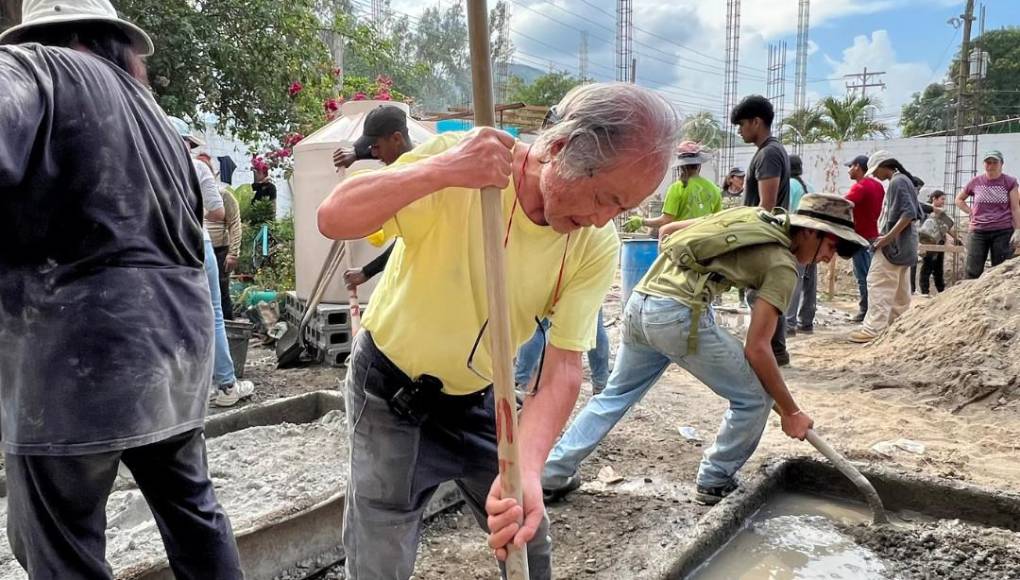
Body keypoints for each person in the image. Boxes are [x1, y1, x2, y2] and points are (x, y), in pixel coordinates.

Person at [316, 83, 680, 579]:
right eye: (603, 198)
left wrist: (528, 470)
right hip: (388, 392)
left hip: (484, 398)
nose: (600, 220)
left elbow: (562, 369)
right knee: (380, 544)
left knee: (527, 535)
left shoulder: (594, 244)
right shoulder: (465, 166)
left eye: (620, 209)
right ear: (557, 147)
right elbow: (334, 218)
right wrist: (440, 169)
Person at [0, 1, 244, 577]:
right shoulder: (158, 120)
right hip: (174, 363)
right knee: (194, 518)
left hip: (72, 368)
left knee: (63, 551)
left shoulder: (36, 67)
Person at [541, 195, 868, 506]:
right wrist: (792, 412)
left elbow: (667, 231)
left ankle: (552, 473)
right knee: (755, 397)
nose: (829, 257)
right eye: (831, 245)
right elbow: (757, 349)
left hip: (640, 302)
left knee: (614, 395)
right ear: (810, 230)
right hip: (678, 317)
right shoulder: (783, 267)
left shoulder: (751, 216)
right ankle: (715, 479)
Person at [171, 118, 256, 408]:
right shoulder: (197, 168)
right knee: (214, 314)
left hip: (165, 252)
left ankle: (183, 391)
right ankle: (227, 385)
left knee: (175, 318)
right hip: (198, 243)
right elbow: (218, 213)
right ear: (187, 143)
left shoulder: (146, 166)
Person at [731, 94, 792, 366]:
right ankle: (774, 350)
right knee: (764, 295)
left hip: (764, 236)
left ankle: (772, 352)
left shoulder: (768, 153)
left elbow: (766, 206)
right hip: (766, 236)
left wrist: (747, 237)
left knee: (763, 297)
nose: (740, 130)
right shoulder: (769, 151)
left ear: (757, 122)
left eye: (742, 124)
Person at [334, 105, 415, 291]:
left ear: (397, 139)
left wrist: (366, 272)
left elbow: (407, 242)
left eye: (376, 147)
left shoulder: (416, 182)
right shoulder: (407, 163)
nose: (375, 154)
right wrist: (357, 153)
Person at [849, 152, 924, 343]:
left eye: (876, 171)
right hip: (906, 246)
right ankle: (897, 327)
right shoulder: (905, 180)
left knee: (878, 283)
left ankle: (873, 329)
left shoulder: (898, 182)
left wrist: (886, 239)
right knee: (900, 291)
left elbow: (909, 214)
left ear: (884, 165)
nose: (875, 176)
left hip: (895, 246)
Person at [622, 141, 722, 232]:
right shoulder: (714, 189)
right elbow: (717, 219)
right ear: (699, 165)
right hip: (706, 243)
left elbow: (665, 220)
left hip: (681, 243)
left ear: (681, 166)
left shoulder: (677, 188)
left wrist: (641, 221)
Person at [955, 150, 1020, 279]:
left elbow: (1015, 207)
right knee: (973, 269)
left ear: (1001, 164)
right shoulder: (976, 181)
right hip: (978, 230)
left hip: (1003, 230)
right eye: (988, 162)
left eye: (994, 162)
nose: (990, 166)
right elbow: (959, 200)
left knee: (1000, 269)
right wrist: (970, 211)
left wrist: (1018, 229)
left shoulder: (1010, 182)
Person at [201, 153, 243, 320]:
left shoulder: (223, 195)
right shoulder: (190, 191)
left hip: (219, 251)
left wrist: (233, 253)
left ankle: (228, 330)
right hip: (197, 249)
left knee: (221, 292)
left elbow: (235, 224)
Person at [844, 154, 885, 322]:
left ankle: (865, 310)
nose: (848, 171)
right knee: (872, 274)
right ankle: (872, 309)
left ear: (858, 167)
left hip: (860, 236)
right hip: (874, 234)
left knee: (863, 276)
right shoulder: (878, 186)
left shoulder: (859, 187)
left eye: (850, 167)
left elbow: (843, 205)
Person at [786, 155, 817, 334]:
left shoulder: (789, 186)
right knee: (809, 282)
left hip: (799, 239)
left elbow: (786, 213)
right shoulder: (809, 187)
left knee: (794, 279)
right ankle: (806, 321)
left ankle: (789, 324)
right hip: (814, 237)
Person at [917, 190, 960, 296]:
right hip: (928, 242)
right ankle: (924, 291)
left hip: (940, 241)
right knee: (927, 266)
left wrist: (955, 238)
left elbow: (947, 226)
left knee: (938, 268)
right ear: (934, 199)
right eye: (942, 199)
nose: (943, 202)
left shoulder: (942, 212)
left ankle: (941, 291)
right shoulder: (927, 210)